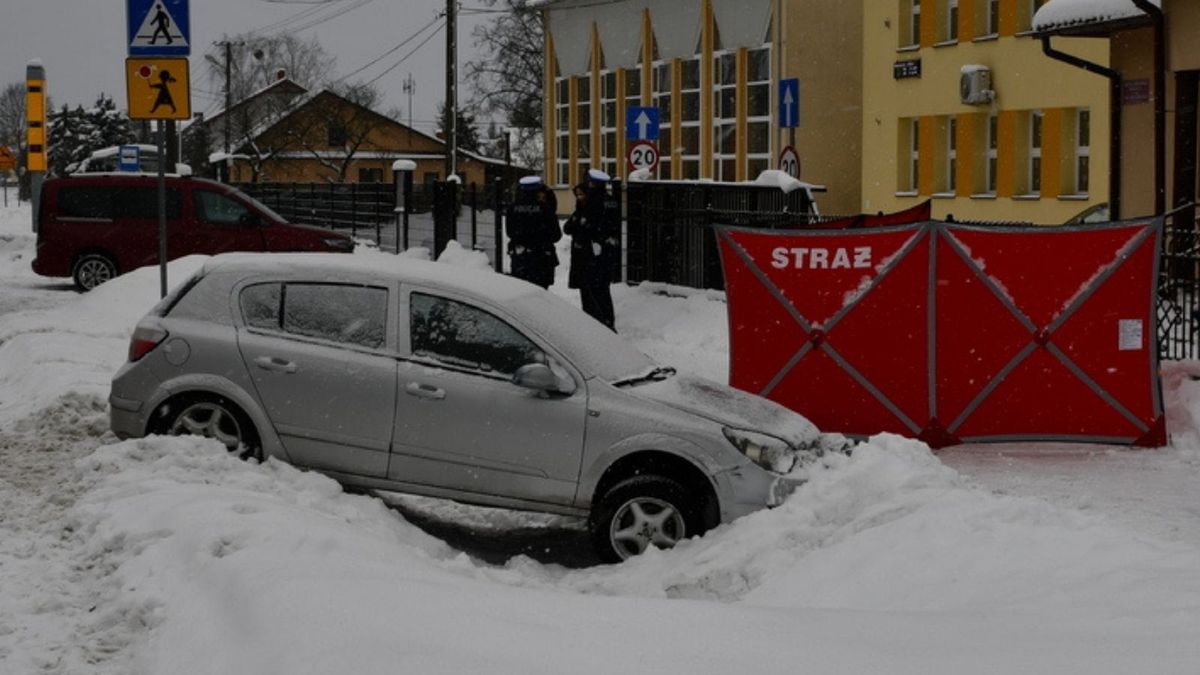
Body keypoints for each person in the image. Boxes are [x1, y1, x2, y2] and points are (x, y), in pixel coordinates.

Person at [563, 169, 617, 330]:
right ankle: (607, 323)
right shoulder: (610, 201)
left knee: (592, 294)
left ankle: (599, 326)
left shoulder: (594, 203)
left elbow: (583, 228)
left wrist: (581, 225)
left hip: (589, 257)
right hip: (602, 256)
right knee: (601, 292)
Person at [505, 175, 561, 289]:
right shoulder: (545, 208)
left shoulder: (512, 208)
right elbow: (556, 235)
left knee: (520, 291)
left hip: (520, 257)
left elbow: (509, 232)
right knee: (539, 295)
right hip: (541, 258)